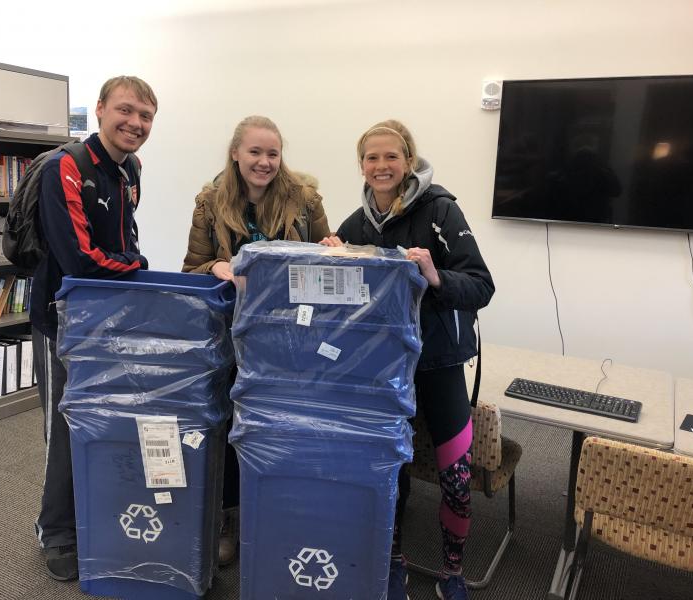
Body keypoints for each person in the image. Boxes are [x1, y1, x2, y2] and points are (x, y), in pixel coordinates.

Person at [321, 120, 494, 600]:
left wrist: (436, 276)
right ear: (362, 165)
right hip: (384, 368)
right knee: (389, 469)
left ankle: (452, 572)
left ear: (409, 161)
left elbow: (482, 285)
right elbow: (343, 299)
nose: (382, 166)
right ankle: (393, 561)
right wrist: (330, 258)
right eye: (372, 158)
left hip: (438, 364)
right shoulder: (355, 225)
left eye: (391, 157)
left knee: (456, 474)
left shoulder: (441, 210)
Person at [181, 114, 331, 565]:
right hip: (233, 331)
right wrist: (216, 268)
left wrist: (331, 249)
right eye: (255, 152)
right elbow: (191, 268)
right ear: (235, 153)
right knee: (231, 423)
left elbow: (332, 260)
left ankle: (282, 512)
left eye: (272, 153)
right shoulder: (210, 202)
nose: (264, 162)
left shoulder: (304, 198)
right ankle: (230, 516)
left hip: (292, 333)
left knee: (284, 423)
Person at [30, 75, 158, 582]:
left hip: (111, 318)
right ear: (101, 109)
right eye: (126, 111)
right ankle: (55, 531)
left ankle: (88, 520)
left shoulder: (132, 169)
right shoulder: (67, 166)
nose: (136, 123)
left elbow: (123, 235)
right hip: (64, 319)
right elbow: (80, 259)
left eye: (146, 116)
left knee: (102, 421)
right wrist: (140, 266)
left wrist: (130, 266)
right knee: (63, 429)